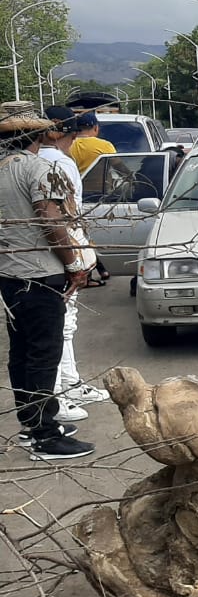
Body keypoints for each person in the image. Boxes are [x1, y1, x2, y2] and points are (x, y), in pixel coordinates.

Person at [0, 102, 95, 461]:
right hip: (41, 273)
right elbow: (51, 221)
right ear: (39, 133)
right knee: (44, 353)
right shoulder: (40, 167)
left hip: (9, 274)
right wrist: (74, 264)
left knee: (22, 353)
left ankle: (31, 423)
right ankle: (44, 434)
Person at [39, 107, 111, 418]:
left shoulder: (48, 159)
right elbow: (60, 218)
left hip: (52, 250)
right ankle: (57, 396)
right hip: (57, 251)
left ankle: (69, 384)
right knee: (59, 325)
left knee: (65, 324)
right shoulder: (54, 162)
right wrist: (74, 260)